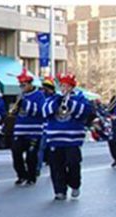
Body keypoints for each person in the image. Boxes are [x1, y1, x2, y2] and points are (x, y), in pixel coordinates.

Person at [43, 72, 92, 200]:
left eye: (67, 86)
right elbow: (44, 112)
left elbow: (85, 112)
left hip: (72, 139)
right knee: (56, 166)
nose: (64, 88)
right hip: (55, 139)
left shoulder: (80, 98)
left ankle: (75, 184)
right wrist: (56, 103)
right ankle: (60, 190)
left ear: (72, 87)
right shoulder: (53, 98)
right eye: (63, 86)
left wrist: (69, 103)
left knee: (73, 163)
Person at [10, 69, 45, 187]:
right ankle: (21, 175)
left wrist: (25, 103)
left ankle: (31, 177)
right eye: (20, 85)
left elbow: (40, 111)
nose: (22, 87)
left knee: (31, 156)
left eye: (24, 85)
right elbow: (16, 113)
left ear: (30, 84)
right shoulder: (20, 96)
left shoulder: (39, 95)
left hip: (34, 131)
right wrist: (14, 110)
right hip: (19, 130)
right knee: (16, 153)